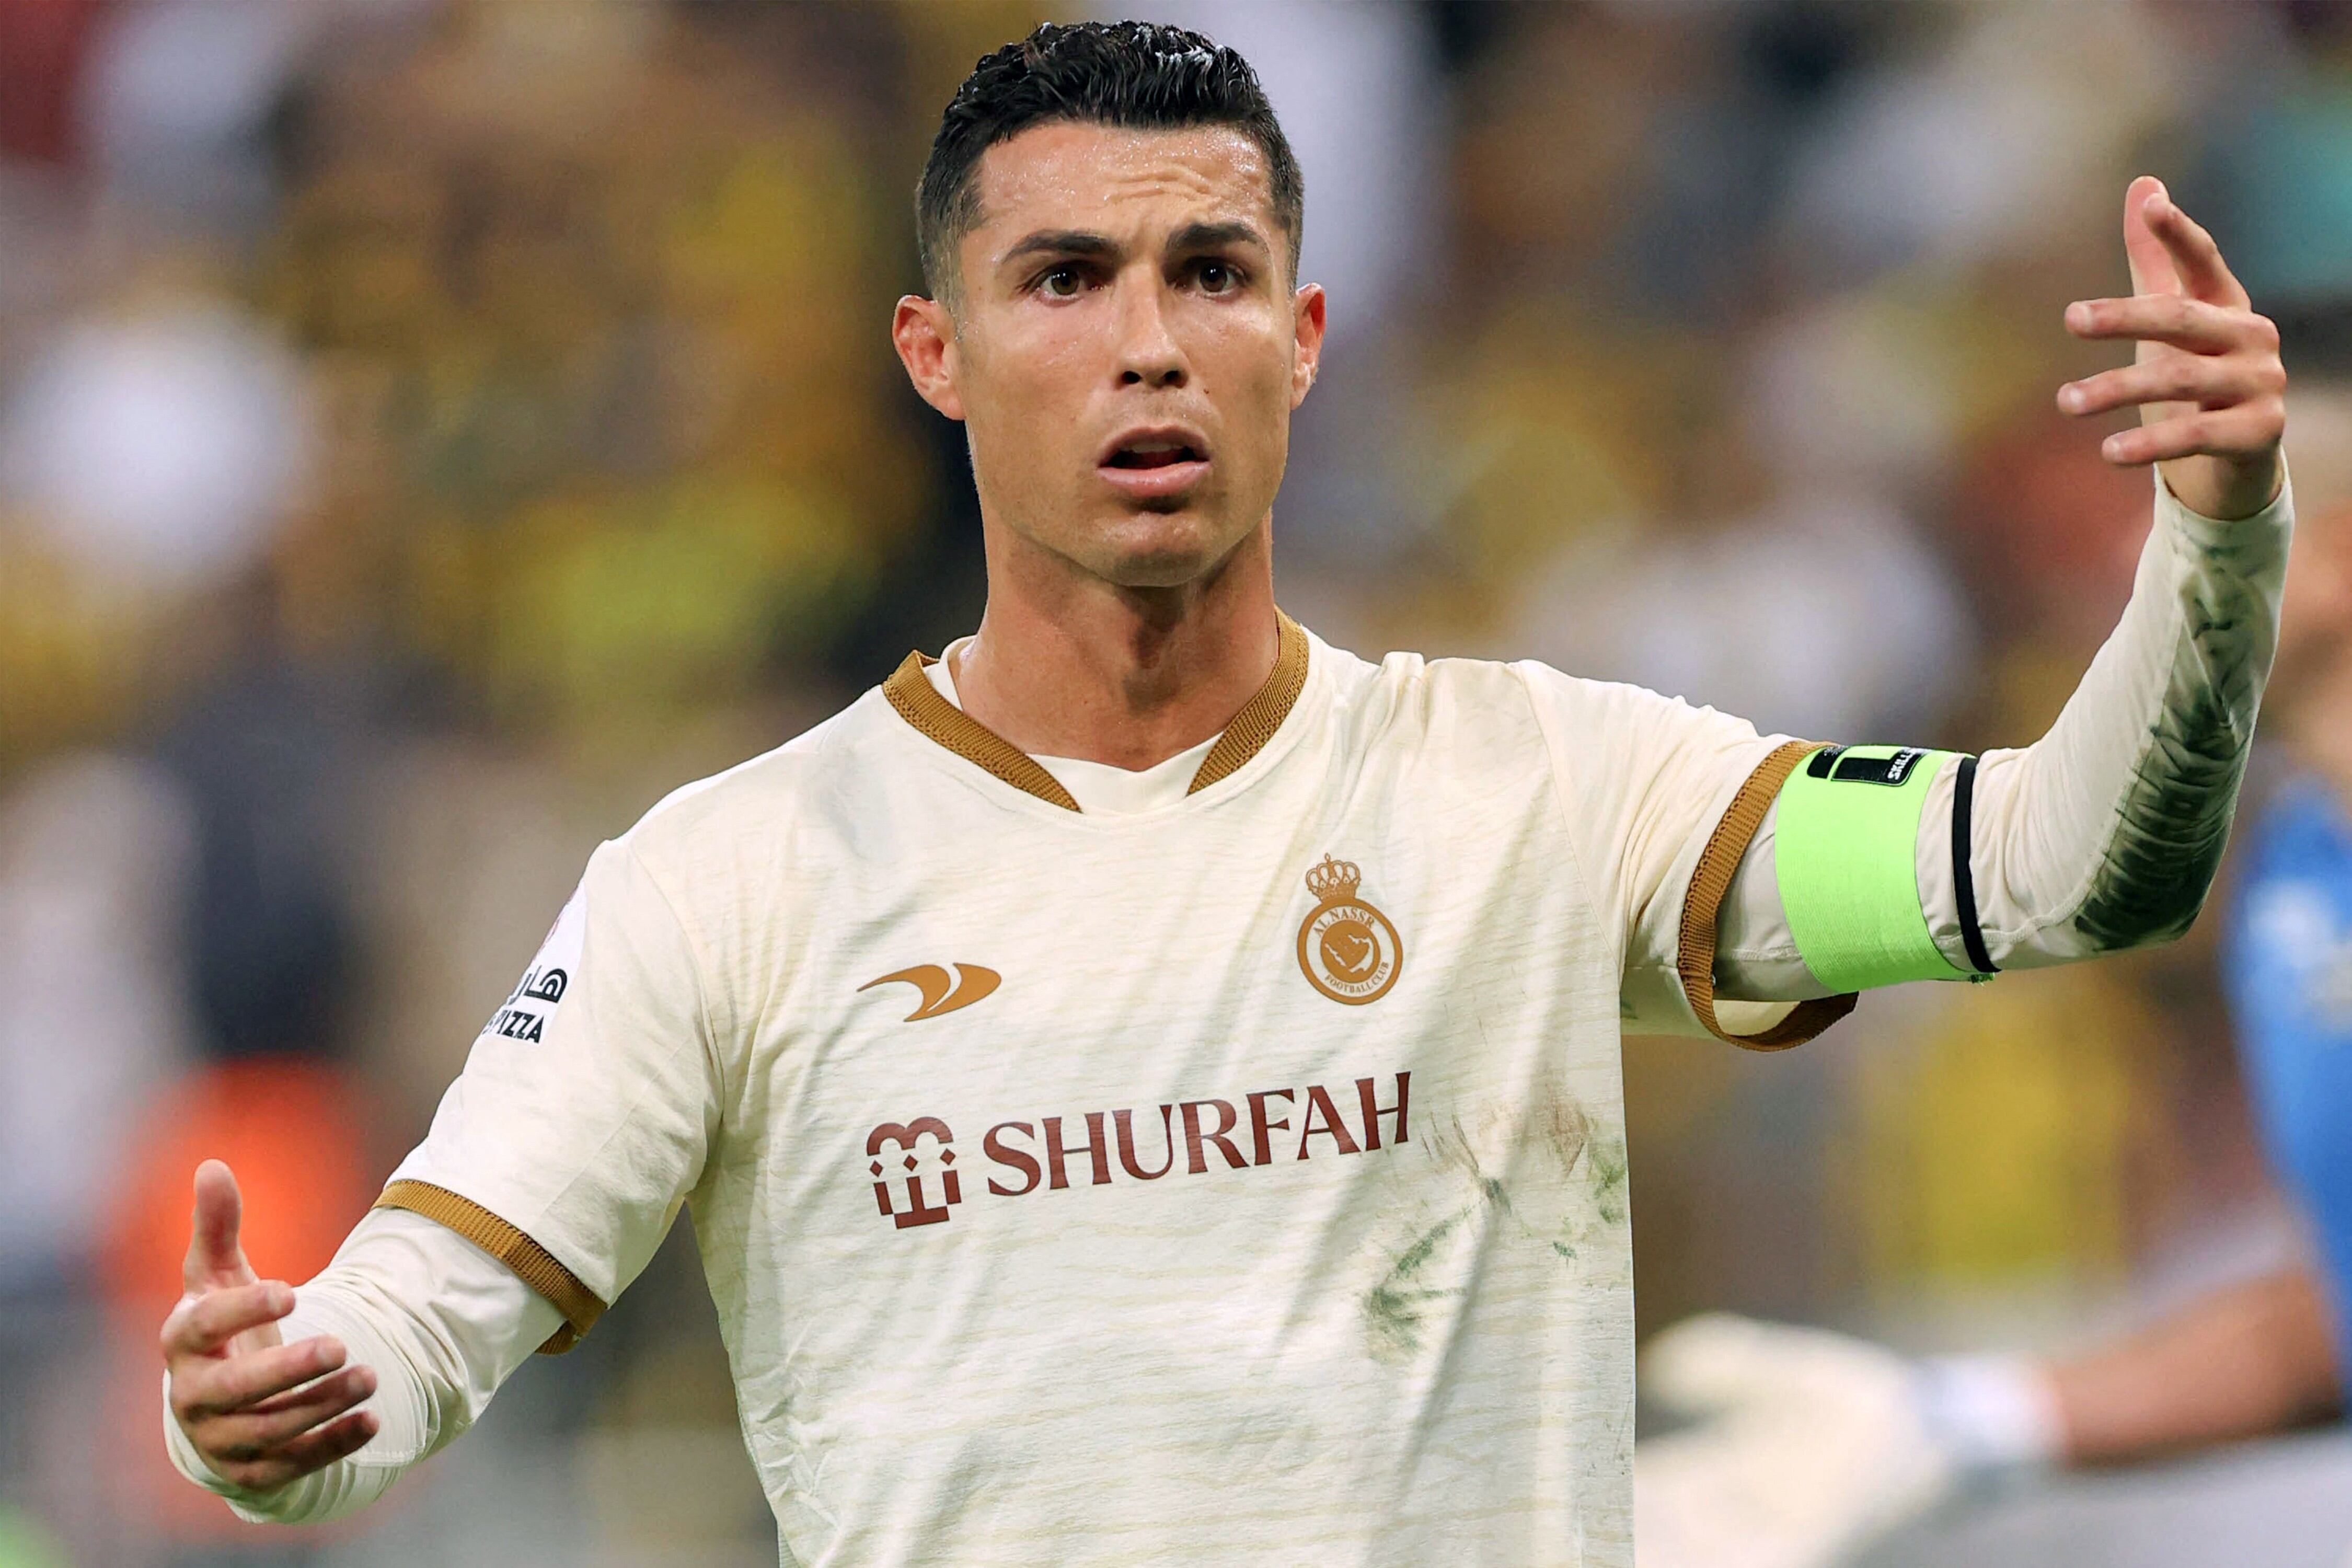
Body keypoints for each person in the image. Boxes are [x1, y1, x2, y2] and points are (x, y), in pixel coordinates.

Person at [158, 22, 2293, 1566]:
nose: (1150, 343)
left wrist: (2212, 543)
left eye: (1212, 274)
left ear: (1307, 335)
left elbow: (2056, 866)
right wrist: (277, 1409)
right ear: (934, 353)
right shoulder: (733, 881)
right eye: (1065, 281)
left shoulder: (1546, 786)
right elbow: (406, 1335)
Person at [1633, 391, 2352, 1568]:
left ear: (2334, 560)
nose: (2134, 564)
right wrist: (1954, 1426)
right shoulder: (2292, 872)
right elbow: (2341, 1310)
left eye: (2207, 519)